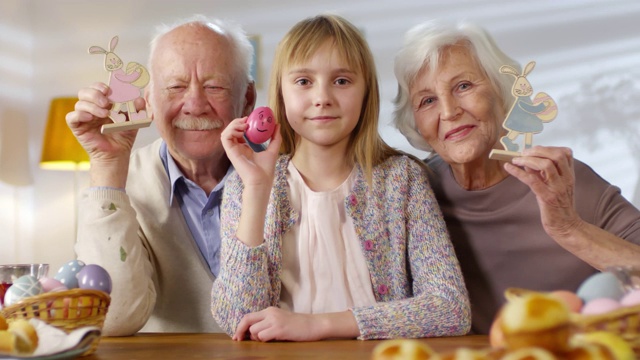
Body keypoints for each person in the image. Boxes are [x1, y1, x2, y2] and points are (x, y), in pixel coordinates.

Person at [211, 14, 471, 342]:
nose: (323, 98)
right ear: (281, 91)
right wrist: (257, 191)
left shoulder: (402, 180)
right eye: (304, 81)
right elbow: (237, 318)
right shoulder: (245, 184)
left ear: (366, 93)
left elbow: (450, 308)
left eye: (342, 81)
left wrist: (316, 325)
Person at [392, 20, 640, 334]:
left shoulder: (563, 181)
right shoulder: (412, 193)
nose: (449, 111)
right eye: (428, 101)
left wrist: (570, 228)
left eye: (463, 86)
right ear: (415, 123)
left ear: (502, 91)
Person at [65, 15, 256, 335]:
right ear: (149, 99)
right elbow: (112, 320)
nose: (195, 105)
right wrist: (107, 167)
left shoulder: (283, 177)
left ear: (247, 99)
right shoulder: (123, 183)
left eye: (214, 86)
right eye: (175, 87)